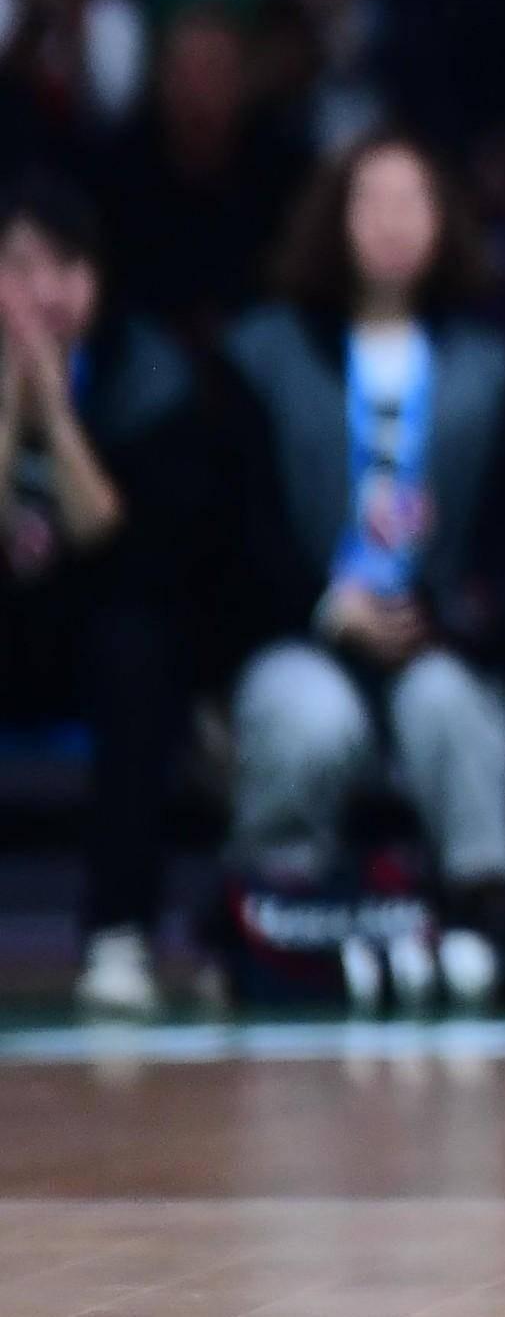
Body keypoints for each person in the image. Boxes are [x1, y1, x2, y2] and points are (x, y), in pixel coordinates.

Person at [221, 135, 505, 1006]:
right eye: (371, 202)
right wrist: (331, 607)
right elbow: (237, 529)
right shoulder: (264, 351)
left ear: (444, 222)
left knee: (450, 709)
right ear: (333, 220)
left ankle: (487, 916)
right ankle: (276, 916)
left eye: (412, 202)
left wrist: (449, 615)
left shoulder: (489, 362)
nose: (393, 223)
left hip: (435, 634)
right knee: (310, 718)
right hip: (302, 627)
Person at [0, 171, 248, 1014]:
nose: (44, 292)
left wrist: (52, 410)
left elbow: (115, 538)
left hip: (99, 625)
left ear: (96, 279)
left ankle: (117, 934)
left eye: (65, 267)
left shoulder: (148, 374)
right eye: (20, 267)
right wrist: (8, 416)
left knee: (137, 655)